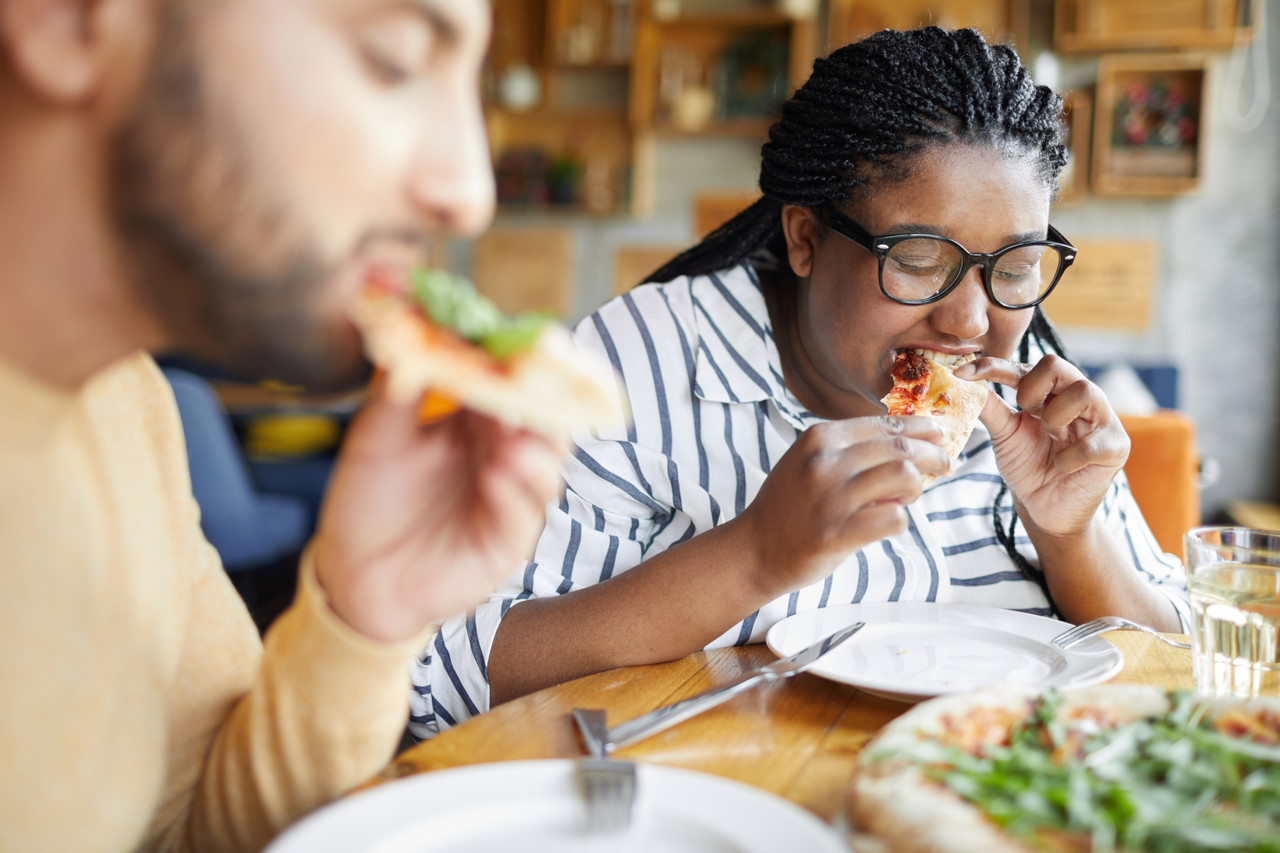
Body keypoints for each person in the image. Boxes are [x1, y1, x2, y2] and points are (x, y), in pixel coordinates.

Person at [412, 26, 1190, 736]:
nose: (969, 322)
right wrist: (753, 554)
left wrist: (1070, 534)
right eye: (919, 261)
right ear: (806, 237)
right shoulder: (636, 361)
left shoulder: (1033, 403)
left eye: (1015, 269)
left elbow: (1176, 660)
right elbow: (447, 674)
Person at [0, 1, 564, 850]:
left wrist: (363, 613)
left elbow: (193, 825)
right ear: (68, 20)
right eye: (395, 59)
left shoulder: (129, 402)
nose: (469, 192)